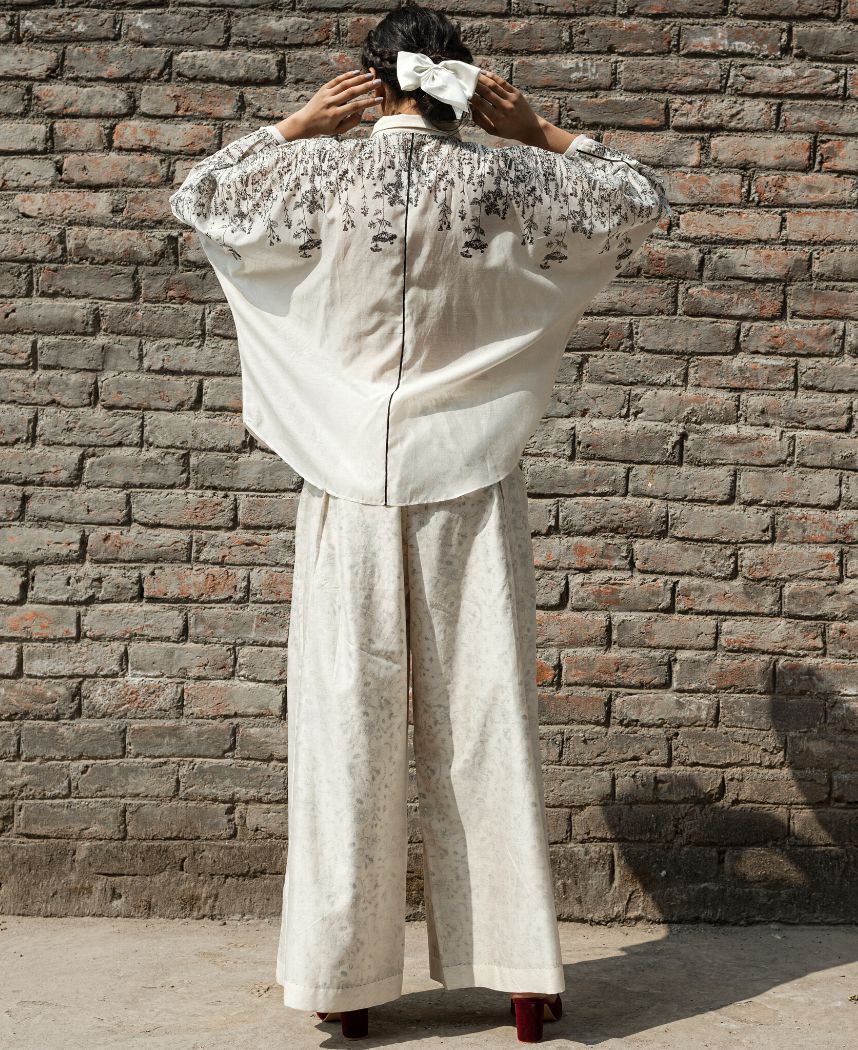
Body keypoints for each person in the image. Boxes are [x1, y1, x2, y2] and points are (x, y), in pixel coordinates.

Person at [169, 5, 670, 1042]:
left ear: (370, 79)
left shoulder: (318, 174)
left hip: (345, 472)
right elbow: (639, 197)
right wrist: (539, 132)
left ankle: (344, 977)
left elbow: (200, 196)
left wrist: (297, 126)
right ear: (466, 83)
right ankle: (520, 972)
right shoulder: (512, 178)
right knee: (484, 718)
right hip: (471, 471)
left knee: (344, 724)